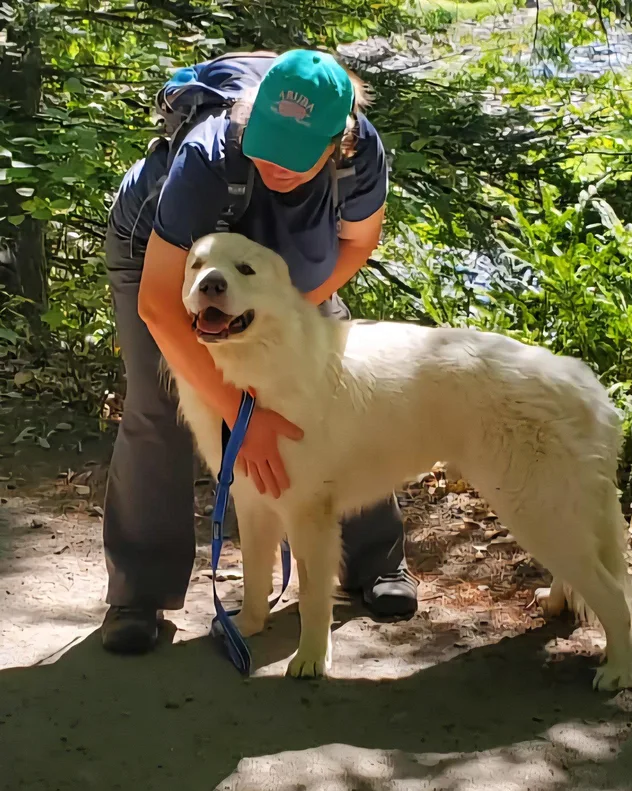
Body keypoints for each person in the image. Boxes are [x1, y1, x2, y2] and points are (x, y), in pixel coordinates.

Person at [101, 49, 418, 654]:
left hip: (279, 270)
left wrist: (287, 316)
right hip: (169, 263)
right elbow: (159, 307)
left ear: (338, 145)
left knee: (336, 385)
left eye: (295, 157)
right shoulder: (209, 158)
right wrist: (240, 417)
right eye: (266, 145)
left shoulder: (360, 158)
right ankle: (139, 593)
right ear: (252, 119)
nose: (275, 164)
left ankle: (374, 561)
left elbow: (357, 242)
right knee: (159, 407)